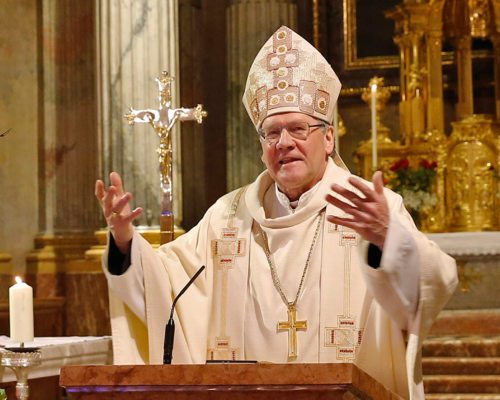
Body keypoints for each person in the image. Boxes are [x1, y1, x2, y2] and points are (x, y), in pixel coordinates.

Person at [95, 26, 457, 400]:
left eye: (298, 129)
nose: (284, 143)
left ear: (329, 137)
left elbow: (438, 281)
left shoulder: (370, 208)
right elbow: (164, 287)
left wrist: (387, 238)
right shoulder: (228, 218)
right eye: (272, 133)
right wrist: (124, 242)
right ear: (261, 146)